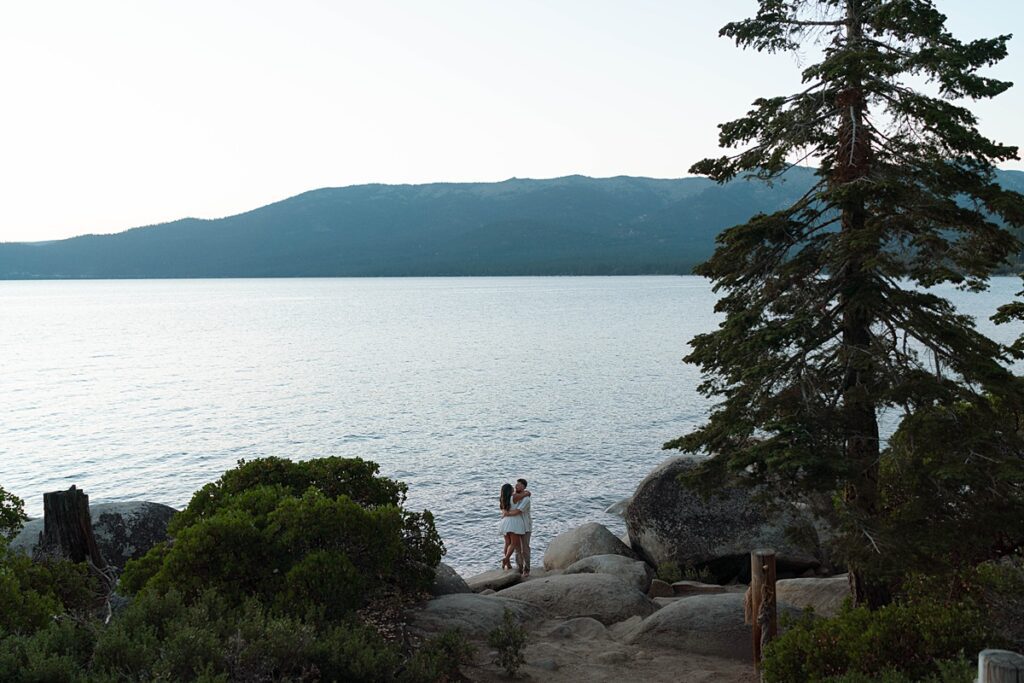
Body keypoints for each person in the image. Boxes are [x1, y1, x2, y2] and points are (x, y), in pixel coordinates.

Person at [498, 483, 526, 570]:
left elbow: (504, 511)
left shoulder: (502, 500)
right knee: (514, 543)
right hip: (513, 521)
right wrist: (527, 493)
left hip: (505, 521)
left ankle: (508, 564)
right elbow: (525, 494)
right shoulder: (514, 497)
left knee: (507, 543)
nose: (513, 489)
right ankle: (506, 559)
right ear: (509, 490)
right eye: (512, 488)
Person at [511, 478, 531, 576]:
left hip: (526, 526)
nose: (516, 486)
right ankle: (519, 568)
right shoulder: (515, 497)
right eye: (516, 484)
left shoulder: (526, 499)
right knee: (517, 548)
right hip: (516, 525)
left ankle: (527, 569)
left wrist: (507, 514)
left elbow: (519, 511)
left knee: (525, 549)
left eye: (518, 485)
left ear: (523, 487)